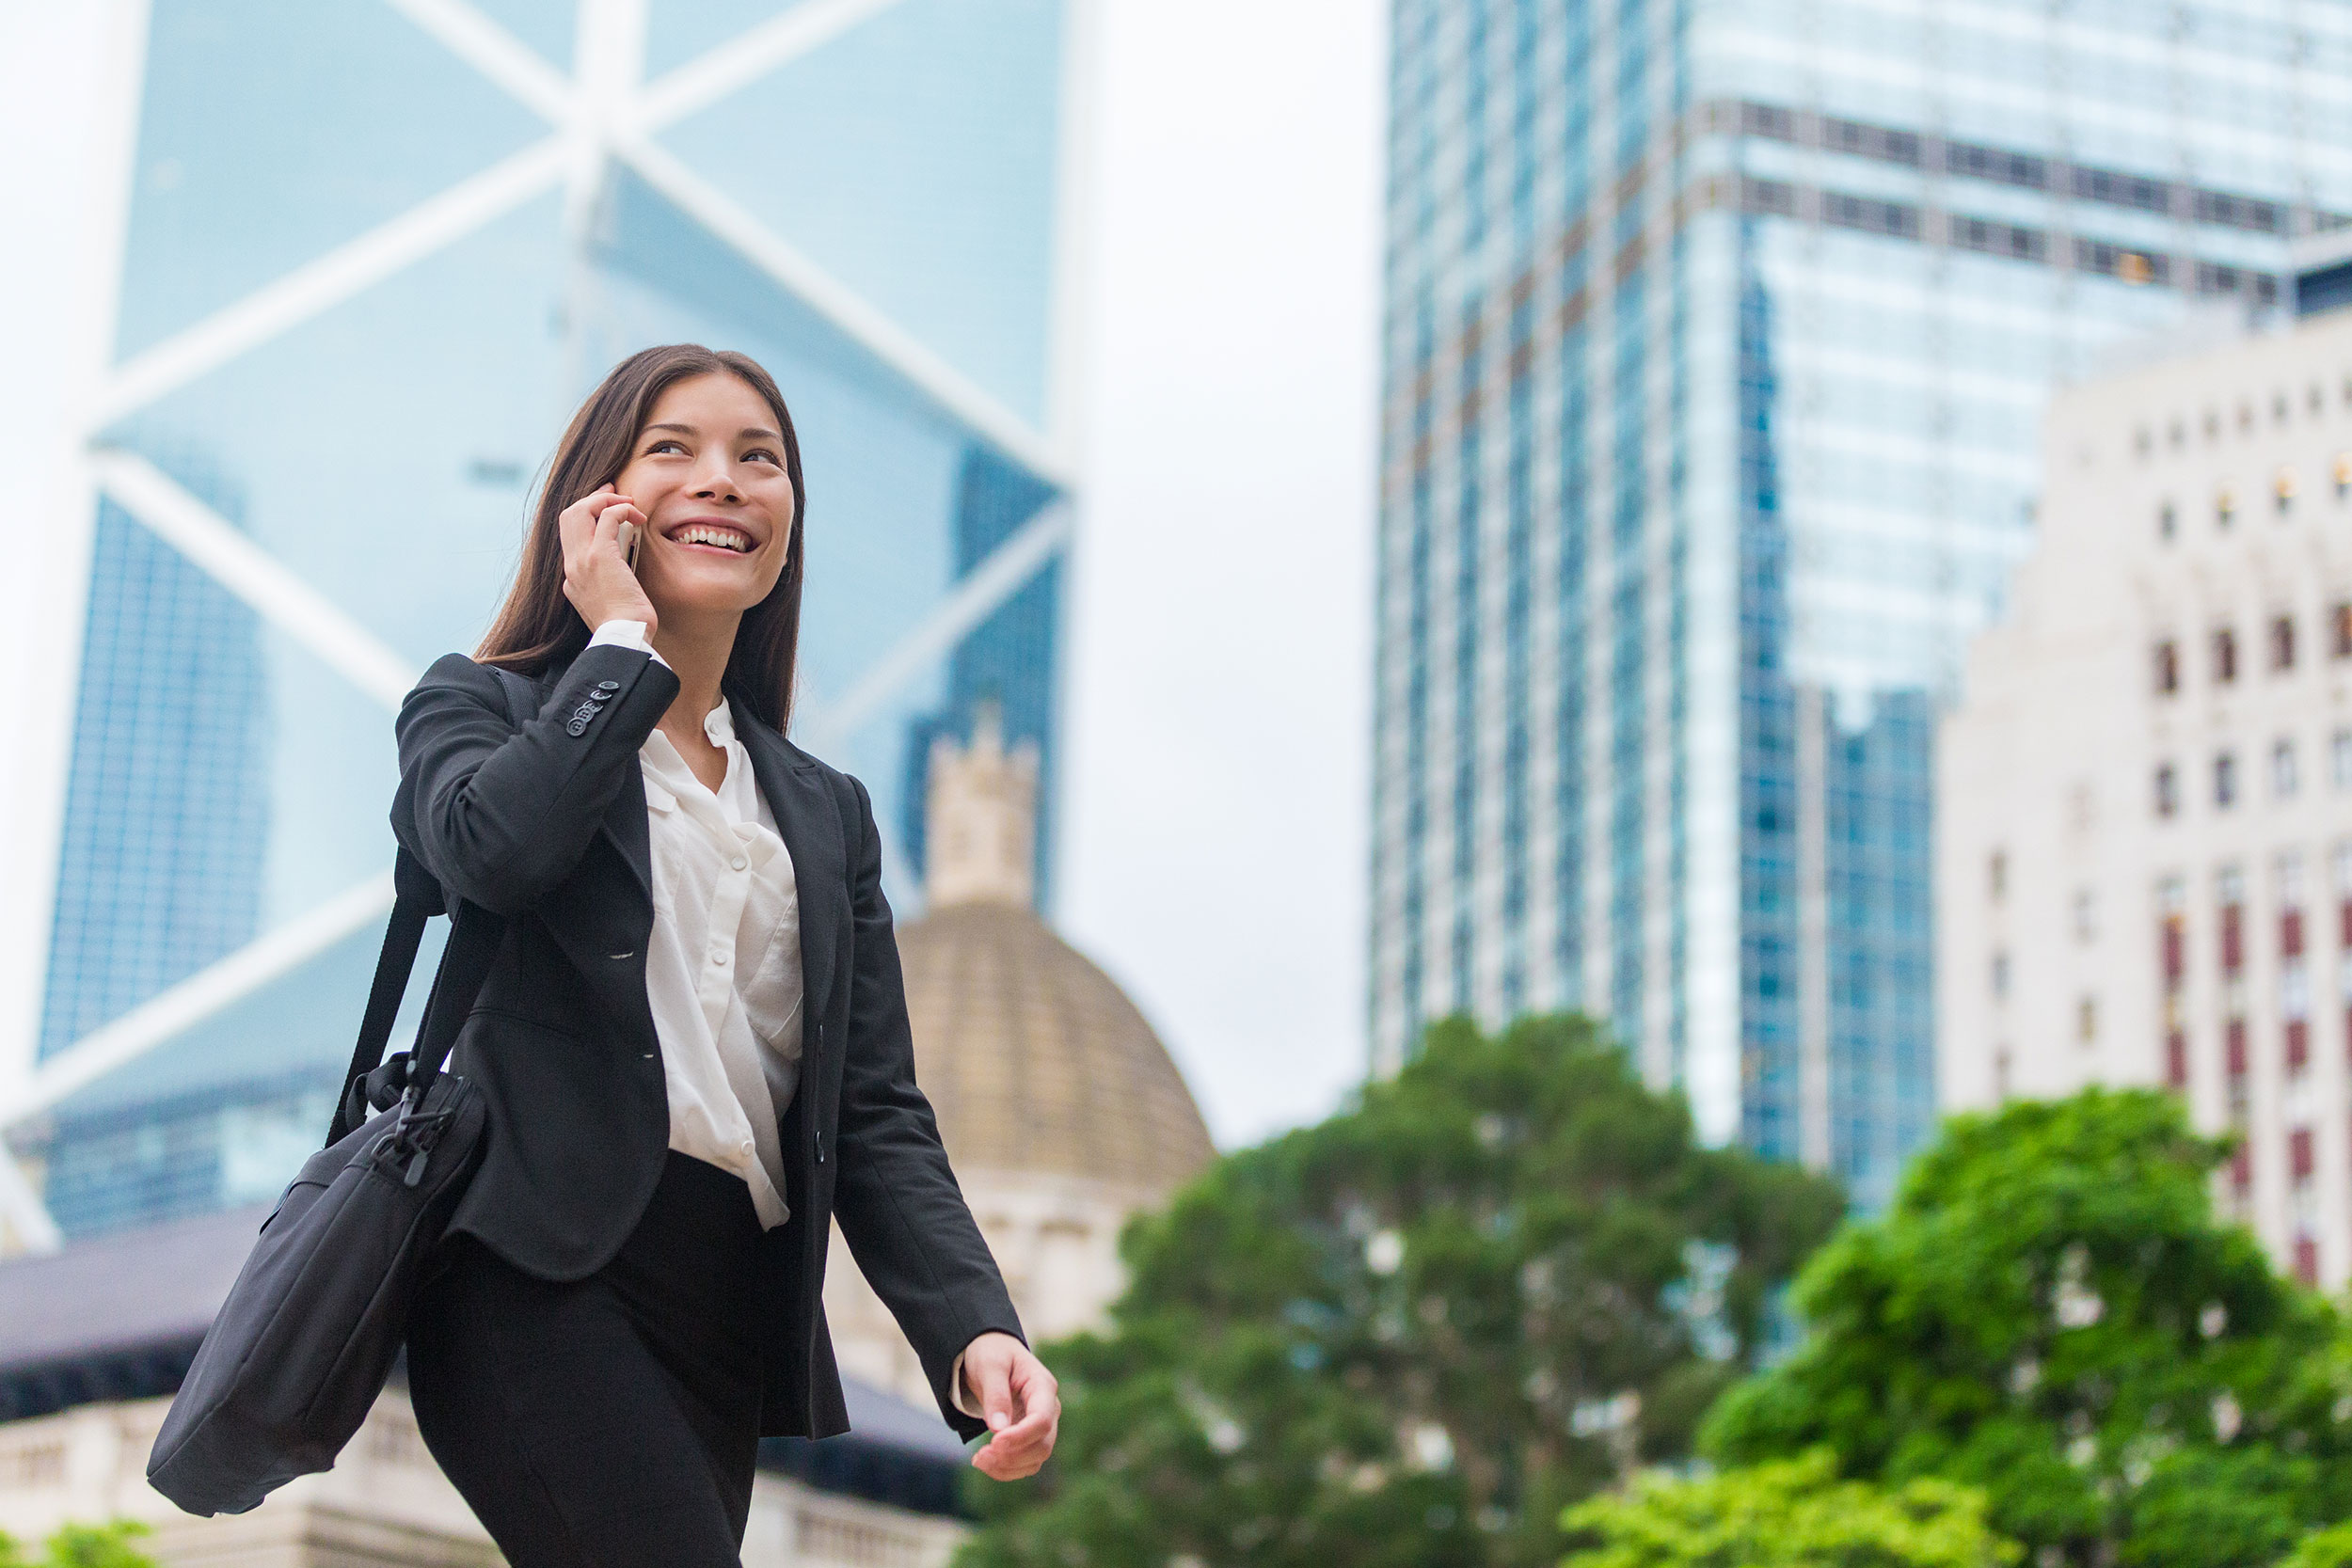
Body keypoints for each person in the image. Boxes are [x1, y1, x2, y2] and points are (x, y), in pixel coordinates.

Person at [389, 343, 1057, 1566]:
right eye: (675, 450)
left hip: (726, 1310)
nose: (726, 480)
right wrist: (618, 648)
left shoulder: (822, 810)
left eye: (762, 461)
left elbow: (873, 1107)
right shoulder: (480, 707)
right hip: (532, 1270)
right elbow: (491, 855)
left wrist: (972, 1325)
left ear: (789, 533)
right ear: (599, 503)